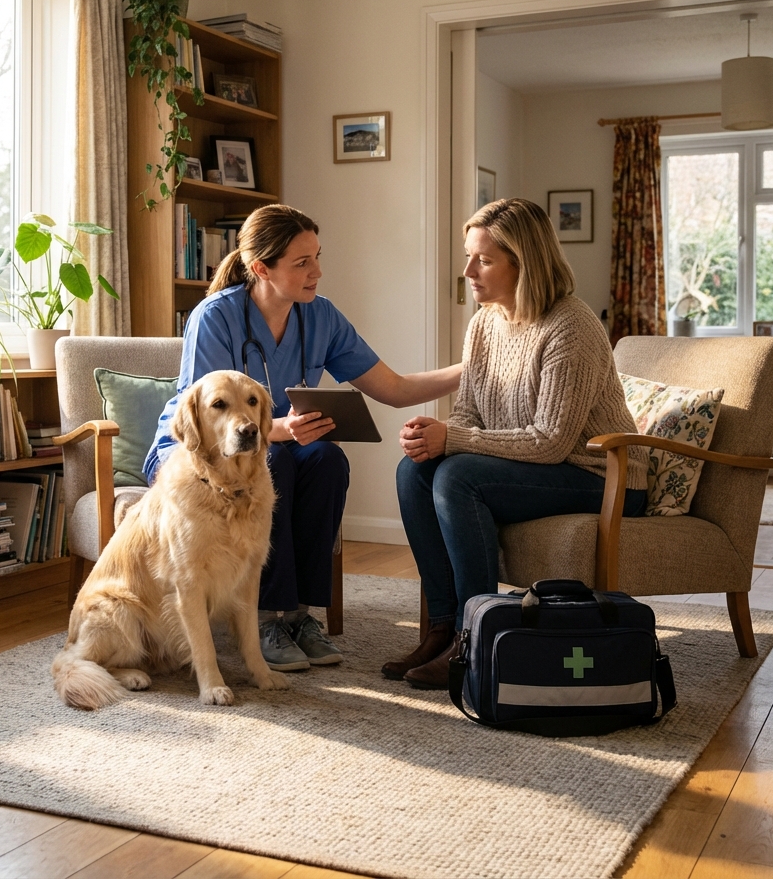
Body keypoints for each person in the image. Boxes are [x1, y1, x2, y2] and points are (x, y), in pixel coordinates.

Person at [144, 204, 461, 671]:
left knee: (327, 459)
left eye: (316, 257)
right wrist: (281, 430)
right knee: (280, 462)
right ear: (260, 269)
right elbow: (204, 425)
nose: (317, 272)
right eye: (301, 263)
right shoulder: (216, 316)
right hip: (196, 455)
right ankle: (268, 615)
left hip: (275, 447)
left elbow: (393, 389)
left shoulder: (321, 317)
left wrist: (471, 369)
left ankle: (299, 614)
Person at [386, 198, 648, 689]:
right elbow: (467, 414)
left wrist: (454, 441)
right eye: (469, 256)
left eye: (482, 259)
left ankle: (476, 637)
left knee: (458, 475)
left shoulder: (571, 325)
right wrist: (435, 436)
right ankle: (443, 628)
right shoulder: (484, 323)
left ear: (523, 263)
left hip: (601, 476)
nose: (468, 270)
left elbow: (550, 442)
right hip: (540, 468)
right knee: (414, 470)